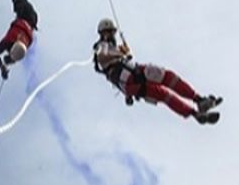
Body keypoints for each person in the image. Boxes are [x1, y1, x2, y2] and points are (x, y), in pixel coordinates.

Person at [92, 18, 222, 124]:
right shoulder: (102, 45)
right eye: (111, 32)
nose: (113, 36)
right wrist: (121, 52)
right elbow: (103, 55)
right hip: (132, 75)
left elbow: (112, 72)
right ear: (105, 32)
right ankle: (198, 100)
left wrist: (128, 95)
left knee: (164, 95)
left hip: (128, 85)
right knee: (167, 77)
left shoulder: (109, 54)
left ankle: (194, 114)